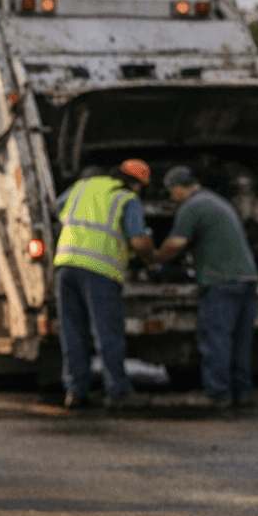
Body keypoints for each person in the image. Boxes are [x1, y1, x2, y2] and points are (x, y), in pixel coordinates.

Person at [52, 158, 157, 409]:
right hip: (99, 270)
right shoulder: (126, 199)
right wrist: (154, 258)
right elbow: (139, 242)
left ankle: (75, 391)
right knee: (107, 333)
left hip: (66, 265)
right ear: (139, 185)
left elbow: (57, 209)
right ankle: (118, 392)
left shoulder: (82, 186)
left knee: (72, 332)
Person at [155, 165, 258, 410]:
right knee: (240, 341)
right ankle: (242, 392)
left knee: (217, 340)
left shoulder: (192, 207)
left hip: (220, 282)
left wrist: (154, 258)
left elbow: (176, 244)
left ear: (180, 189)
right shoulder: (217, 201)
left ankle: (217, 394)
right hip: (247, 279)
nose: (171, 197)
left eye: (171, 192)